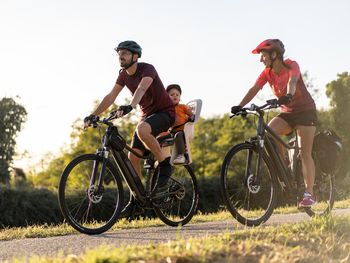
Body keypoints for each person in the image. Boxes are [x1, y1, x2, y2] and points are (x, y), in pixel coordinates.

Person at [231, 39, 317, 208]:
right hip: (288, 113)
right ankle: (285, 166)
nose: (261, 60)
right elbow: (254, 89)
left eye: (263, 56)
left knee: (305, 153)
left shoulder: (292, 65)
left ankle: (309, 193)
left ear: (274, 55)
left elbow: (292, 82)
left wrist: (289, 95)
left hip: (306, 112)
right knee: (268, 132)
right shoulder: (267, 73)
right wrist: (240, 106)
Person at [83, 40, 175, 191]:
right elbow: (111, 96)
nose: (121, 56)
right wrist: (93, 115)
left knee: (142, 129)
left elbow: (142, 87)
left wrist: (130, 106)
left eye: (125, 53)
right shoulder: (123, 76)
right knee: (133, 157)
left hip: (165, 112)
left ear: (135, 56)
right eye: (119, 54)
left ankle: (165, 165)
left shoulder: (147, 69)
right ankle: (138, 198)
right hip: (147, 116)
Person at [166, 84, 193, 164]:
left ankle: (181, 156)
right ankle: (158, 157)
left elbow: (191, 114)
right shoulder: (167, 109)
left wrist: (191, 117)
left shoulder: (182, 107)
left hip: (183, 131)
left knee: (178, 135)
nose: (175, 96)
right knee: (159, 138)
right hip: (172, 131)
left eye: (177, 95)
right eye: (172, 94)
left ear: (180, 97)